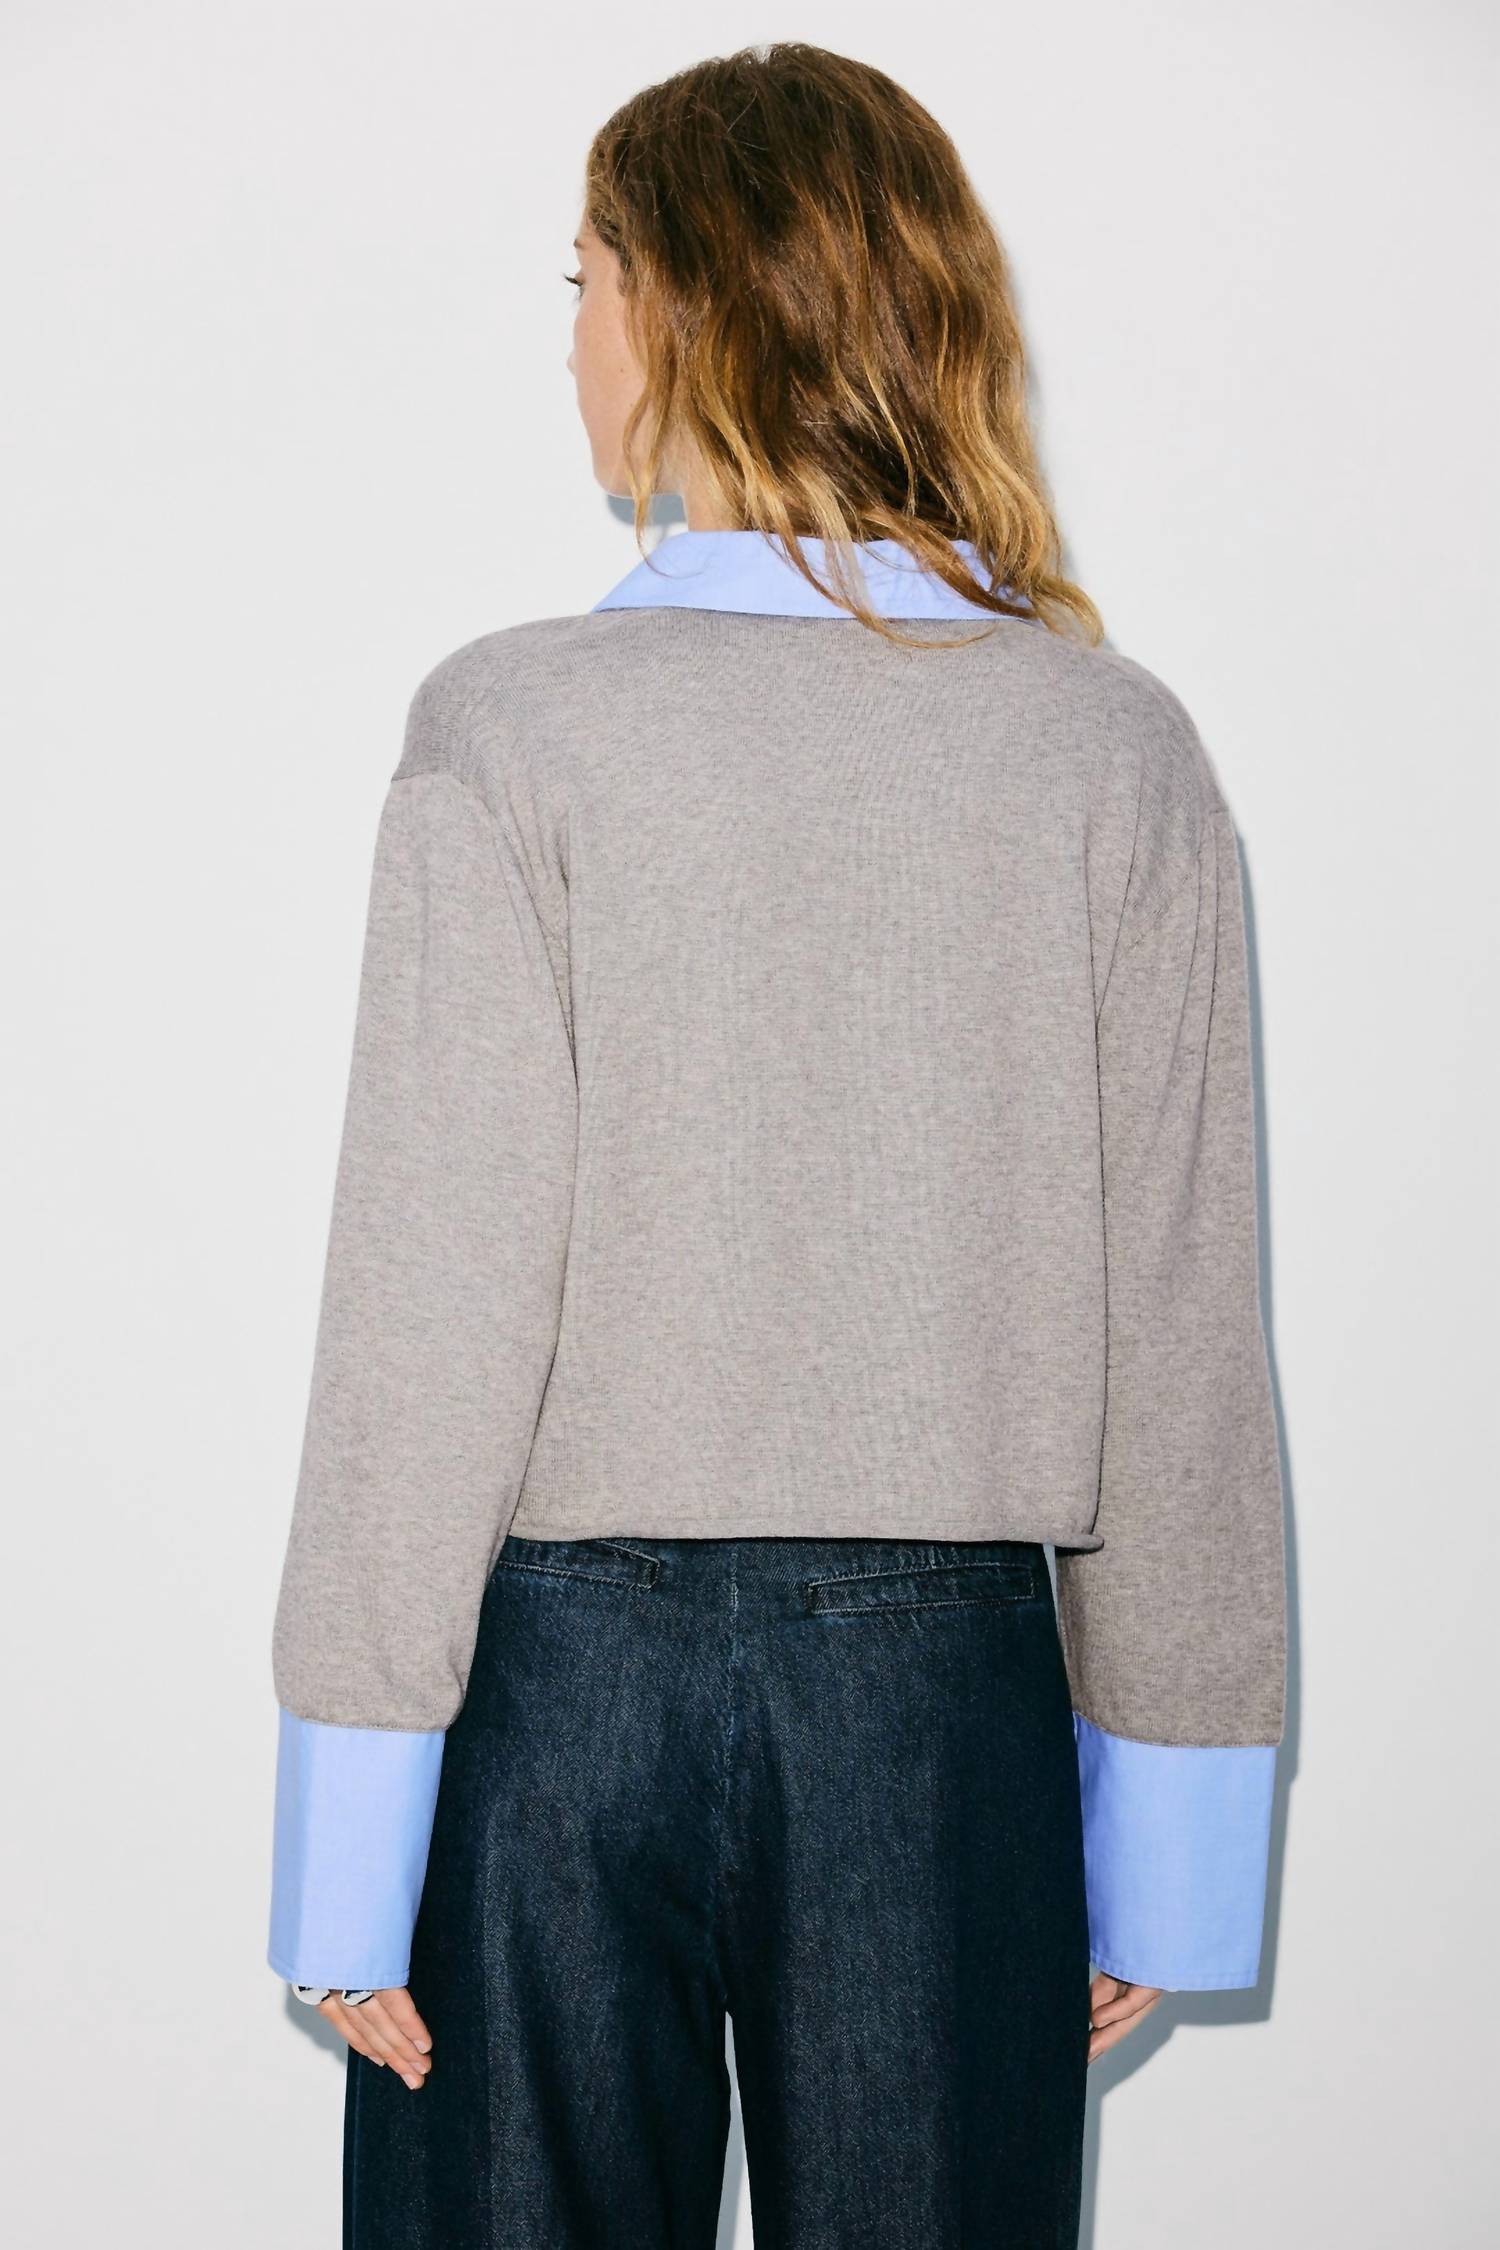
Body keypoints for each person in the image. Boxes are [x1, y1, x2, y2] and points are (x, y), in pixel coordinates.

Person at [267, 41, 1286, 2249]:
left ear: (688, 309)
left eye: (586, 280)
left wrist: (349, 1818)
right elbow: (1182, 1327)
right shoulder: (1111, 752)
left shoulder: (512, 730)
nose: (570, 338)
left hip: (552, 1694)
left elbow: (432, 1297)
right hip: (943, 1711)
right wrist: (1174, 1818)